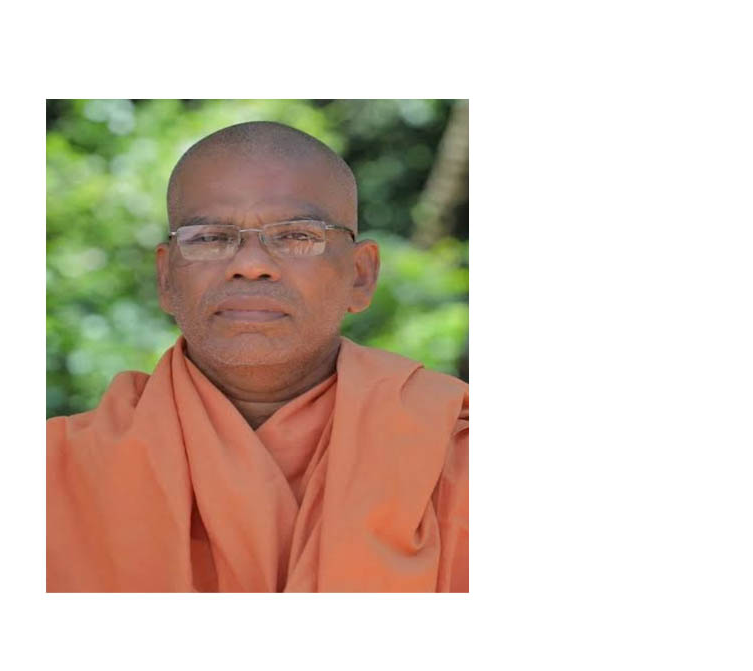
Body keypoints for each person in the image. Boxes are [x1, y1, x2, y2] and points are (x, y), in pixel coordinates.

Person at [47, 121, 468, 592]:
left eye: (296, 236)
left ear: (360, 274)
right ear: (166, 278)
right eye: (209, 237)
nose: (250, 265)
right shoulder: (57, 474)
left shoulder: (456, 456)